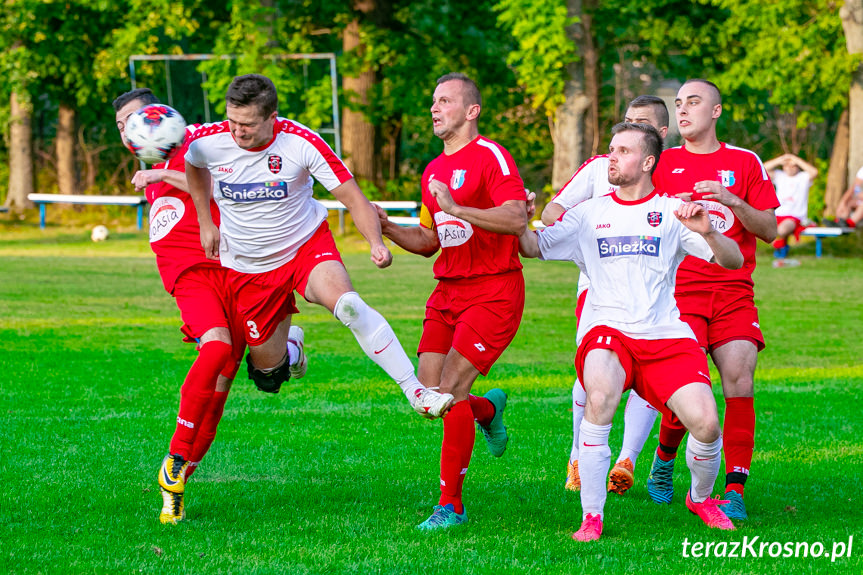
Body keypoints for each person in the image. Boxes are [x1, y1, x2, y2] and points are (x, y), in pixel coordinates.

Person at [183, 74, 453, 425]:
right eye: (232, 121)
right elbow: (193, 165)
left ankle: (416, 391)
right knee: (268, 377)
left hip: (305, 248)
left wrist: (376, 243)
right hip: (249, 267)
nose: (237, 132)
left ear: (272, 117)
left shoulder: (301, 142)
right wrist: (206, 221)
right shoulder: (209, 141)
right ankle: (291, 348)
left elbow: (354, 198)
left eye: (247, 124)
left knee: (349, 306)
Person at [520, 122, 743, 541]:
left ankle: (700, 498)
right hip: (608, 330)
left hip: (665, 335)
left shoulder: (674, 211)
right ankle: (592, 516)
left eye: (622, 151)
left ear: (647, 162)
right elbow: (534, 247)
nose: (611, 157)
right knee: (599, 399)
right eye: (610, 149)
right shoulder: (588, 213)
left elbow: (732, 262)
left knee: (708, 425)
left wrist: (709, 230)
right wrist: (521, 221)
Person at [114, 88, 292, 524]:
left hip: (232, 263)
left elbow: (213, 183)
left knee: (241, 383)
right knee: (214, 351)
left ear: (168, 117)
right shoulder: (159, 162)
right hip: (189, 273)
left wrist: (160, 177)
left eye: (141, 118)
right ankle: (174, 463)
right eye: (123, 126)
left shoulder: (203, 145)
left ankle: (180, 482)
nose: (134, 130)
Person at [376, 73, 528, 530]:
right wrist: (387, 227)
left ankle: (451, 506)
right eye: (433, 101)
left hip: (494, 290)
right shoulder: (432, 170)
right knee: (429, 398)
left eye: (445, 101)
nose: (435, 109)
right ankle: (487, 410)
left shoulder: (491, 156)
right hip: (447, 292)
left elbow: (518, 215)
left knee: (448, 391)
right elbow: (428, 240)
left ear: (471, 110)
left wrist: (460, 208)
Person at [649, 79, 779, 521]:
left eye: (694, 102)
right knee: (687, 387)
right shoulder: (661, 163)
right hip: (679, 292)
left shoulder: (743, 162)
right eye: (679, 104)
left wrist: (731, 199)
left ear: (717, 111)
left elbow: (770, 229)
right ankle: (664, 461)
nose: (683, 111)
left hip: (733, 293)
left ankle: (734, 489)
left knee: (740, 382)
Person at [542, 96, 670, 496]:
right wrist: (581, 238)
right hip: (597, 291)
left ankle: (627, 457)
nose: (630, 129)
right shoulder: (600, 167)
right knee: (591, 376)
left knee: (647, 378)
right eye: (627, 122)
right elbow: (553, 210)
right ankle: (578, 455)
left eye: (642, 124)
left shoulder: (675, 175)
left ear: (660, 137)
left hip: (655, 295)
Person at [762, 153, 818, 262]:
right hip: (777, 214)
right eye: (787, 165)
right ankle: (781, 246)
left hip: (795, 216)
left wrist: (796, 159)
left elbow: (814, 172)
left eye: (793, 165)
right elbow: (761, 168)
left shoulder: (803, 177)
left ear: (798, 166)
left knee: (782, 230)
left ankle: (781, 247)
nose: (789, 168)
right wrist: (780, 159)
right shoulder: (779, 176)